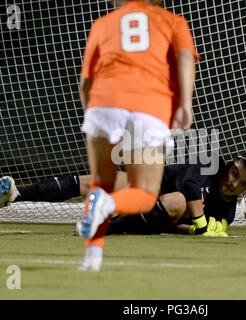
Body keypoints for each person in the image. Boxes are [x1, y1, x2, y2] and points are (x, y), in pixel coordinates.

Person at [77, 0, 199, 271]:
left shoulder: (103, 23)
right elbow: (185, 58)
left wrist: (95, 116)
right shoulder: (173, 21)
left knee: (101, 185)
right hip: (149, 103)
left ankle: (92, 258)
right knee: (144, 195)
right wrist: (185, 104)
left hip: (103, 102)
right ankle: (108, 205)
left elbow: (86, 82)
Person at [0, 151, 246, 237]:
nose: (232, 182)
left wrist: (192, 229)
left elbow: (180, 224)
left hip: (150, 215)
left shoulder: (226, 214)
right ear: (230, 166)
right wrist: (200, 223)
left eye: (241, 183)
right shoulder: (211, 164)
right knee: (94, 181)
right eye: (234, 173)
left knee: (174, 204)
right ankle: (17, 194)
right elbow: (189, 186)